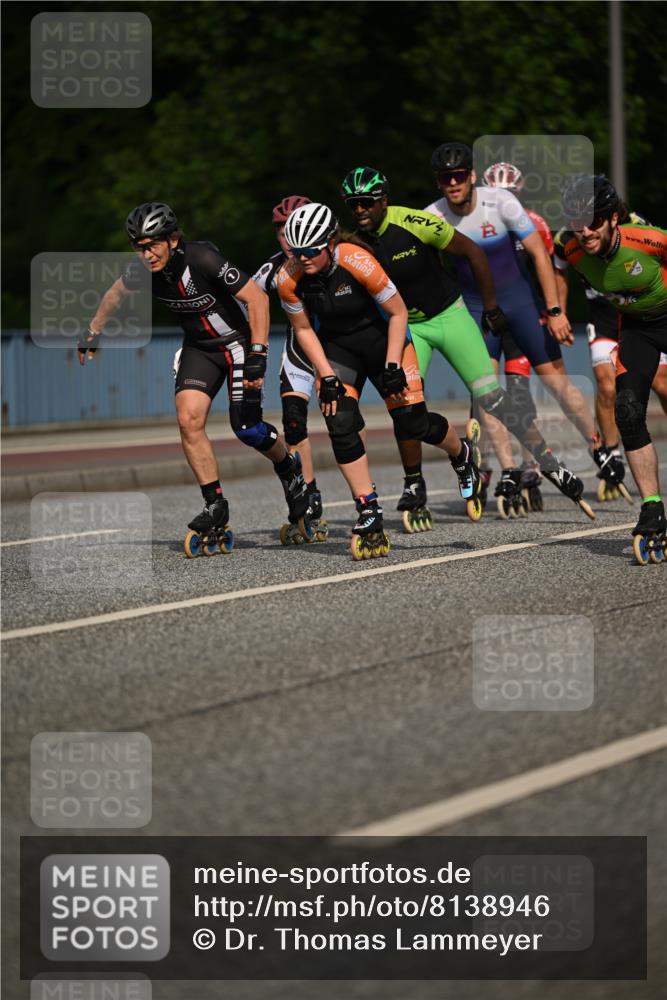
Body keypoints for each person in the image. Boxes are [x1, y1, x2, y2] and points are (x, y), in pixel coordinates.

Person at [340, 166, 593, 520]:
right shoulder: (353, 245)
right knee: (403, 403)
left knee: (491, 397)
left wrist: (490, 308)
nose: (360, 209)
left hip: (449, 315)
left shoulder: (416, 222)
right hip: (409, 328)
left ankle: (550, 462)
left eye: (367, 201)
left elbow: (474, 253)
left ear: (384, 199)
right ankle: (415, 482)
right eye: (353, 204)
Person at [79, 201, 311, 554]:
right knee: (188, 421)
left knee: (247, 429)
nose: (146, 254)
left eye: (153, 244)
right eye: (138, 247)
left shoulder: (203, 258)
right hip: (199, 350)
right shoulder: (142, 269)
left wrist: (259, 354)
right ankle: (215, 504)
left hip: (237, 345)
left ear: (172, 240)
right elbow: (115, 295)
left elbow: (258, 299)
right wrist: (93, 331)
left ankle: (289, 466)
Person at [276, 202, 483, 558]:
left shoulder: (357, 260)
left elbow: (398, 312)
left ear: (329, 242)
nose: (304, 258)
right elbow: (304, 329)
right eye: (297, 251)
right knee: (339, 420)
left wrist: (391, 366)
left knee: (413, 423)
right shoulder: (288, 278)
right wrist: (325, 375)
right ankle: (368, 507)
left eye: (311, 250)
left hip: (386, 341)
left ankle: (462, 452)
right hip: (340, 349)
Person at [425, 143, 599, 515]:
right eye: (445, 178)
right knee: (485, 388)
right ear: (439, 183)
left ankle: (602, 449)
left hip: (519, 302)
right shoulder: (433, 216)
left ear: (471, 176)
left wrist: (554, 311)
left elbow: (539, 254)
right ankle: (508, 468)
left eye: (459, 176)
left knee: (556, 382)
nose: (453, 183)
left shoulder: (501, 201)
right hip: (474, 307)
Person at [556, 175, 667, 563]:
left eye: (594, 221)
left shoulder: (647, 239)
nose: (584, 231)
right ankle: (652, 508)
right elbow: (551, 256)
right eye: (576, 221)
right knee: (627, 410)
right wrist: (555, 309)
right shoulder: (570, 246)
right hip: (638, 330)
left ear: (613, 218)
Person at [252, 195, 328, 542]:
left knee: (345, 421)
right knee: (293, 422)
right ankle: (309, 498)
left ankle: (399, 483)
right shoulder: (272, 270)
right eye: (280, 229)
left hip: (343, 344)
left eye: (291, 226)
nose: (286, 236)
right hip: (300, 345)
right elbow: (243, 301)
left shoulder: (334, 256)